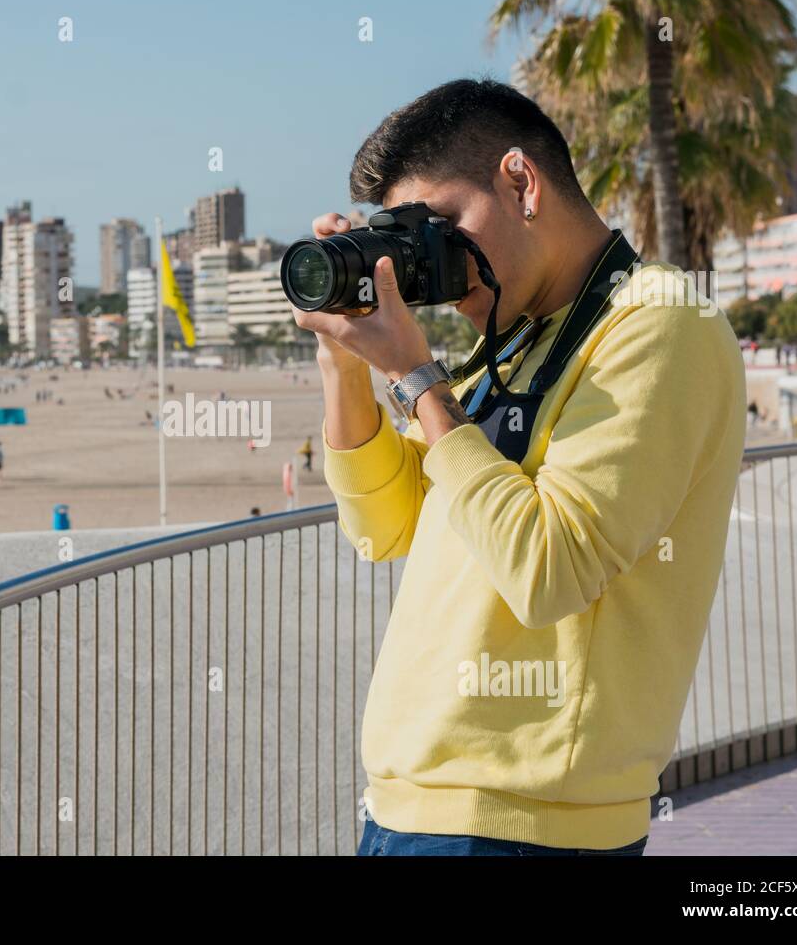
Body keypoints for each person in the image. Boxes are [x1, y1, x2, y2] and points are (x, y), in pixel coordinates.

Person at [295, 80, 745, 857]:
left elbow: (550, 568)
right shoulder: (512, 341)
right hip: (411, 805)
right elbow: (383, 525)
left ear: (520, 182)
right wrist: (344, 362)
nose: (441, 268)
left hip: (527, 821)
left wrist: (417, 378)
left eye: (444, 229)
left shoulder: (660, 322)